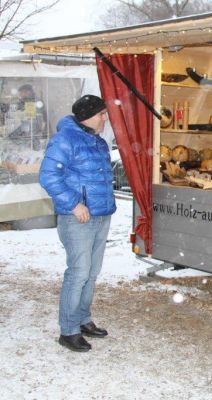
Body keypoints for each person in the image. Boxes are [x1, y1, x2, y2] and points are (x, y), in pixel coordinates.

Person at [39, 95, 116, 352]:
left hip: (101, 214)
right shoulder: (64, 140)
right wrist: (74, 203)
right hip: (77, 218)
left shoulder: (98, 142)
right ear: (87, 116)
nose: (105, 118)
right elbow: (48, 176)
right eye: (101, 114)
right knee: (79, 273)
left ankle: (83, 320)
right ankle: (68, 330)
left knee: (91, 273)